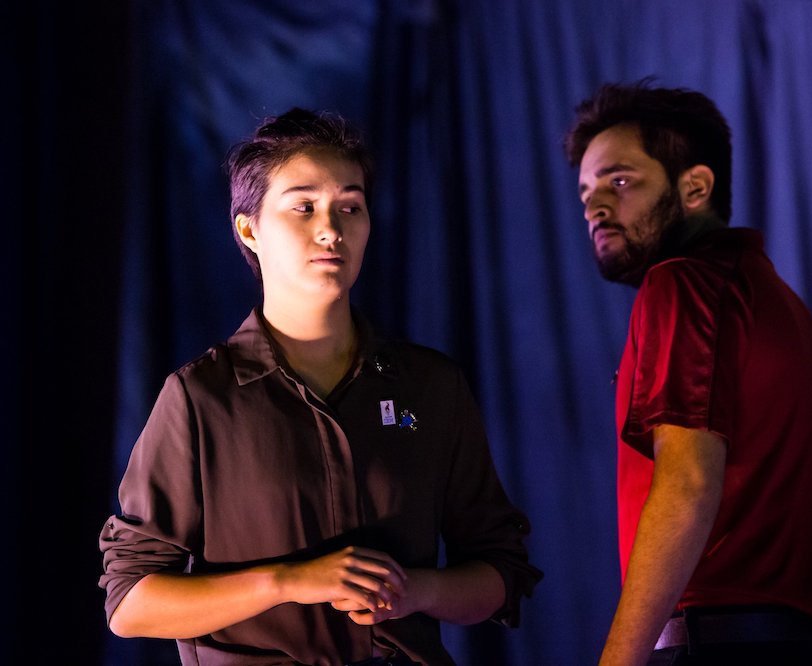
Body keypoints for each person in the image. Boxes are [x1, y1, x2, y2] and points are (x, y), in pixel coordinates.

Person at [100, 108, 542, 666]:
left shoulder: (431, 386)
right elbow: (130, 602)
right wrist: (289, 581)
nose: (331, 228)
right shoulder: (201, 398)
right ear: (249, 228)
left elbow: (500, 570)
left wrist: (415, 592)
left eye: (350, 207)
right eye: (303, 207)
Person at [564, 80, 812, 665]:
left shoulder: (681, 282)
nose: (596, 206)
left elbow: (688, 483)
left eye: (620, 181)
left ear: (695, 186)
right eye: (586, 193)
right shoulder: (796, 322)